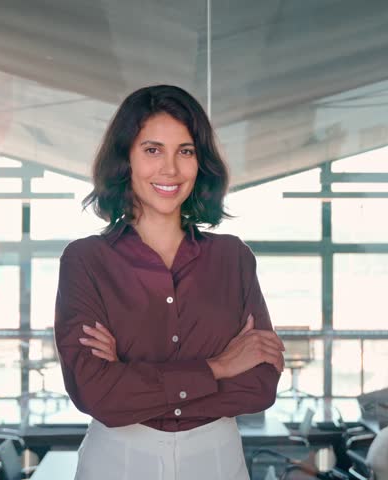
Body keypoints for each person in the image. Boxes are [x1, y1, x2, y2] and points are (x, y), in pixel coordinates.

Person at [54, 84, 285, 480]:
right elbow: (96, 395)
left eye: (186, 151)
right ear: (125, 158)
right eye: (152, 150)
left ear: (201, 162)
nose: (171, 170)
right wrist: (220, 365)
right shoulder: (86, 260)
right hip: (119, 459)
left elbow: (259, 387)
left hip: (217, 458)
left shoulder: (233, 258)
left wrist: (131, 378)